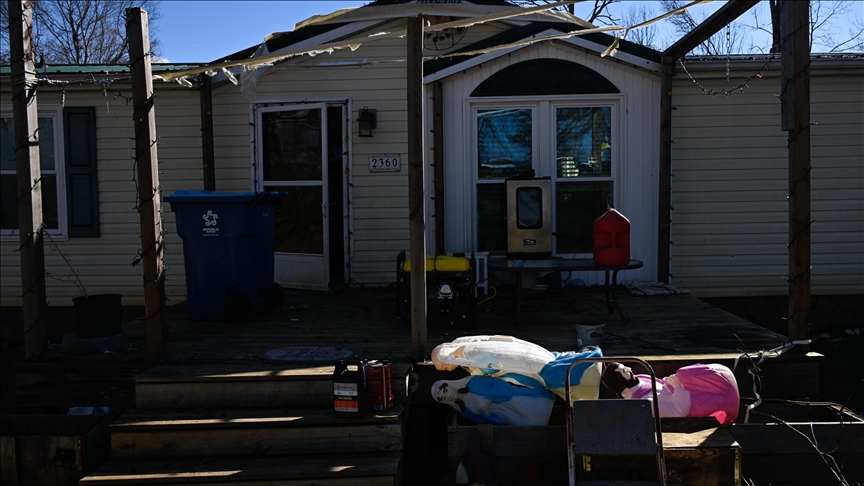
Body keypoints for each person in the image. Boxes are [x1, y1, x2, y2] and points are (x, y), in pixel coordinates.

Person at [601, 362, 740, 425]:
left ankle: (720, 380)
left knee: (683, 373)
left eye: (625, 367)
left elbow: (660, 384)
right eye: (624, 371)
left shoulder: (640, 379)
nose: (629, 369)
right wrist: (678, 388)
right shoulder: (643, 403)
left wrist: (673, 381)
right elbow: (677, 412)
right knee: (684, 374)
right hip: (690, 405)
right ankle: (727, 397)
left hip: (680, 391)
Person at [432, 374, 555, 426]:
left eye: (445, 391)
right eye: (443, 398)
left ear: (449, 385)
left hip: (512, 400)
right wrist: (486, 412)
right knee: (533, 424)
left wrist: (488, 400)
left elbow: (499, 385)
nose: (447, 396)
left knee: (537, 411)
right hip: (505, 415)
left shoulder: (473, 382)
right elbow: (486, 422)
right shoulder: (465, 411)